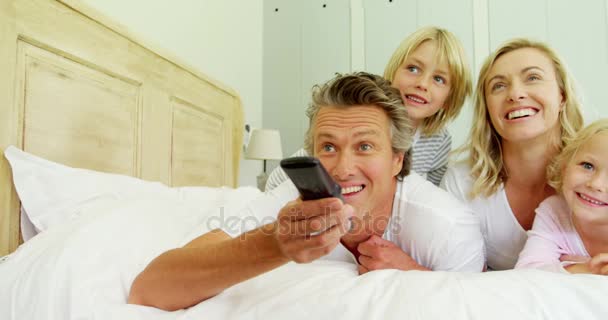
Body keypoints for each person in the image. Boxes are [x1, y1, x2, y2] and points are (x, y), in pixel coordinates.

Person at [128, 72, 484, 311]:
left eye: (364, 147)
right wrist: (274, 244)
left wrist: (416, 277)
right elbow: (150, 288)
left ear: (396, 160)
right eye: (328, 147)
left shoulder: (448, 227)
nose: (343, 168)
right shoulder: (288, 204)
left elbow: (483, 310)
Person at [265, 26, 472, 190]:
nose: (423, 84)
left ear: (448, 99)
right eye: (413, 68)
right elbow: (281, 178)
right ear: (394, 72)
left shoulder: (438, 141)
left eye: (438, 79)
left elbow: (432, 196)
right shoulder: (359, 118)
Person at [441, 38, 584, 270]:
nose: (515, 94)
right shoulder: (461, 183)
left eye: (533, 78)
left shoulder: (600, 172)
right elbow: (458, 279)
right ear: (487, 110)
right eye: (498, 85)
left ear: (562, 96)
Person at [515, 119, 608, 274]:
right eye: (587, 165)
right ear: (565, 168)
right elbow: (527, 272)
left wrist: (564, 266)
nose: (596, 184)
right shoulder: (554, 211)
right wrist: (588, 269)